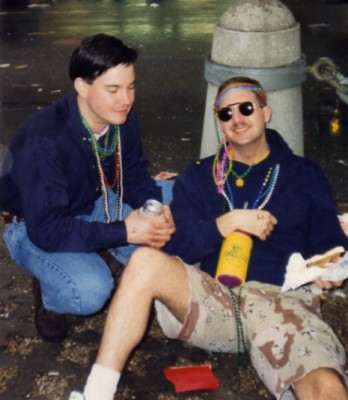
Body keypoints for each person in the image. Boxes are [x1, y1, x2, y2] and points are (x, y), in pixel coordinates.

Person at [68, 76, 348, 400]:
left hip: (281, 300)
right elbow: (175, 244)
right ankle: (96, 393)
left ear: (266, 112)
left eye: (246, 108)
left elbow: (333, 247)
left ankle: (283, 367)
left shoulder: (303, 174)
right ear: (219, 123)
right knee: (144, 261)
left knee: (327, 385)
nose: (237, 119)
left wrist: (329, 270)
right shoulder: (202, 175)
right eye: (226, 114)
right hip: (215, 301)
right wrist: (224, 224)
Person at [0, 33, 175, 343]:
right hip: (34, 224)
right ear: (82, 86)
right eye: (113, 89)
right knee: (90, 291)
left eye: (131, 87)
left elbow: (132, 172)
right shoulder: (43, 140)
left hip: (94, 201)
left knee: (174, 217)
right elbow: (49, 230)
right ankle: (51, 294)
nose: (126, 99)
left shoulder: (120, 116)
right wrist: (125, 231)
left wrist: (155, 208)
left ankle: (96, 246)